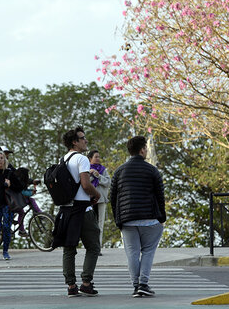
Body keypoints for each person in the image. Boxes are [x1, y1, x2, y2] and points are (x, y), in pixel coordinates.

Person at [110, 136, 166, 298]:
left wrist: (118, 219)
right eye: (146, 148)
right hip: (149, 219)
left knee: (132, 253)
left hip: (127, 220)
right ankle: (143, 284)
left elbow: (113, 198)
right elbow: (160, 195)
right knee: (148, 251)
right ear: (142, 150)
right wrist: (162, 217)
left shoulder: (119, 171)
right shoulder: (152, 170)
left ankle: (136, 286)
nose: (147, 151)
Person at [52, 126, 101, 297]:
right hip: (82, 209)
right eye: (82, 138)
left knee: (69, 248)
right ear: (75, 142)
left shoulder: (63, 159)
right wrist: (97, 194)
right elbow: (86, 185)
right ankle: (86, 282)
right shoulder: (81, 159)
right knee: (94, 246)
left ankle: (71, 286)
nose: (86, 140)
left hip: (66, 210)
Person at [88, 150, 111, 256]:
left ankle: (98, 248)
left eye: (99, 157)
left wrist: (98, 176)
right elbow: (85, 182)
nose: (98, 158)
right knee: (90, 225)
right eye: (96, 157)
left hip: (101, 200)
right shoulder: (85, 169)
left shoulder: (103, 170)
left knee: (100, 224)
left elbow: (108, 183)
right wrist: (92, 174)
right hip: (89, 200)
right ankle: (90, 247)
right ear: (90, 159)